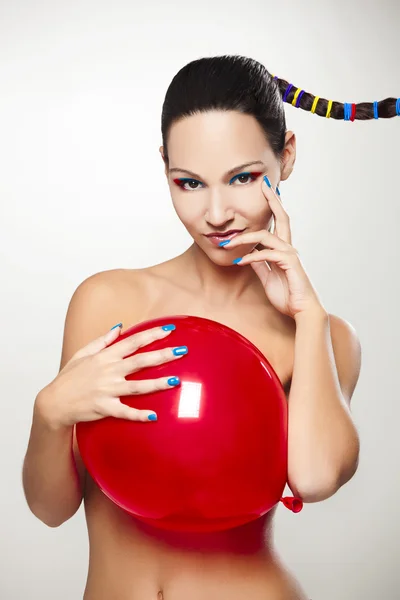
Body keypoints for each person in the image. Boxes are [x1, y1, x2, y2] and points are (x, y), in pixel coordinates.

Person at [23, 54, 398, 600]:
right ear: (165, 168)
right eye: (190, 183)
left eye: (243, 177)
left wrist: (308, 316)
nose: (216, 213)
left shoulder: (325, 337)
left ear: (286, 157)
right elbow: (50, 508)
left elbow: (316, 479)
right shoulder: (106, 301)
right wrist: (50, 412)